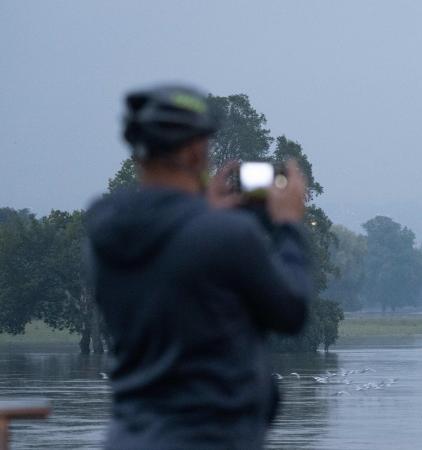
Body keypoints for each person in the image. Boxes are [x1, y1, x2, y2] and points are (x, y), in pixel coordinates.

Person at [86, 84, 311, 449]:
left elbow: (176, 263)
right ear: (194, 151)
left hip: (129, 437)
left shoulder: (105, 234)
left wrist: (199, 214)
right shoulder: (228, 235)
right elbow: (291, 310)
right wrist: (288, 227)